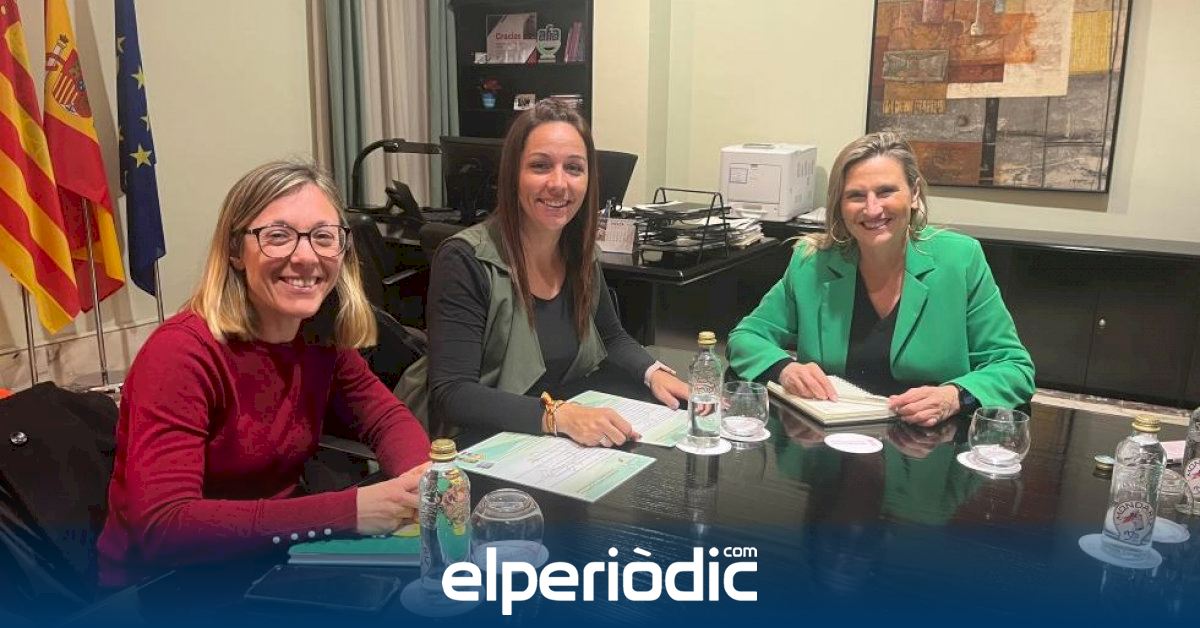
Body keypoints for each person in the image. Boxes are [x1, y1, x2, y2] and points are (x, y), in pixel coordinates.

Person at [97, 162, 431, 588]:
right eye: (278, 236)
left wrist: (422, 481)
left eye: (324, 236)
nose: (306, 256)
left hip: (271, 561)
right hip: (165, 585)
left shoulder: (318, 336)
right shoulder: (180, 353)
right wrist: (350, 511)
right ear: (235, 251)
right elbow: (164, 527)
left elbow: (385, 418)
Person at [399, 99, 689, 447]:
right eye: (540, 166)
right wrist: (557, 416)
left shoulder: (580, 254)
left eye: (574, 168)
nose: (558, 183)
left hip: (553, 442)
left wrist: (653, 372)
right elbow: (453, 393)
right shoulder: (465, 259)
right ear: (513, 175)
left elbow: (610, 336)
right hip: (479, 443)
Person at [728, 132, 1034, 426]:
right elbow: (746, 338)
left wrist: (955, 397)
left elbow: (1014, 367)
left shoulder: (960, 259)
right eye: (856, 195)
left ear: (914, 194)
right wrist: (784, 369)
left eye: (886, 192)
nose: (872, 209)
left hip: (928, 444)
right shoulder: (811, 263)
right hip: (828, 441)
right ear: (840, 205)